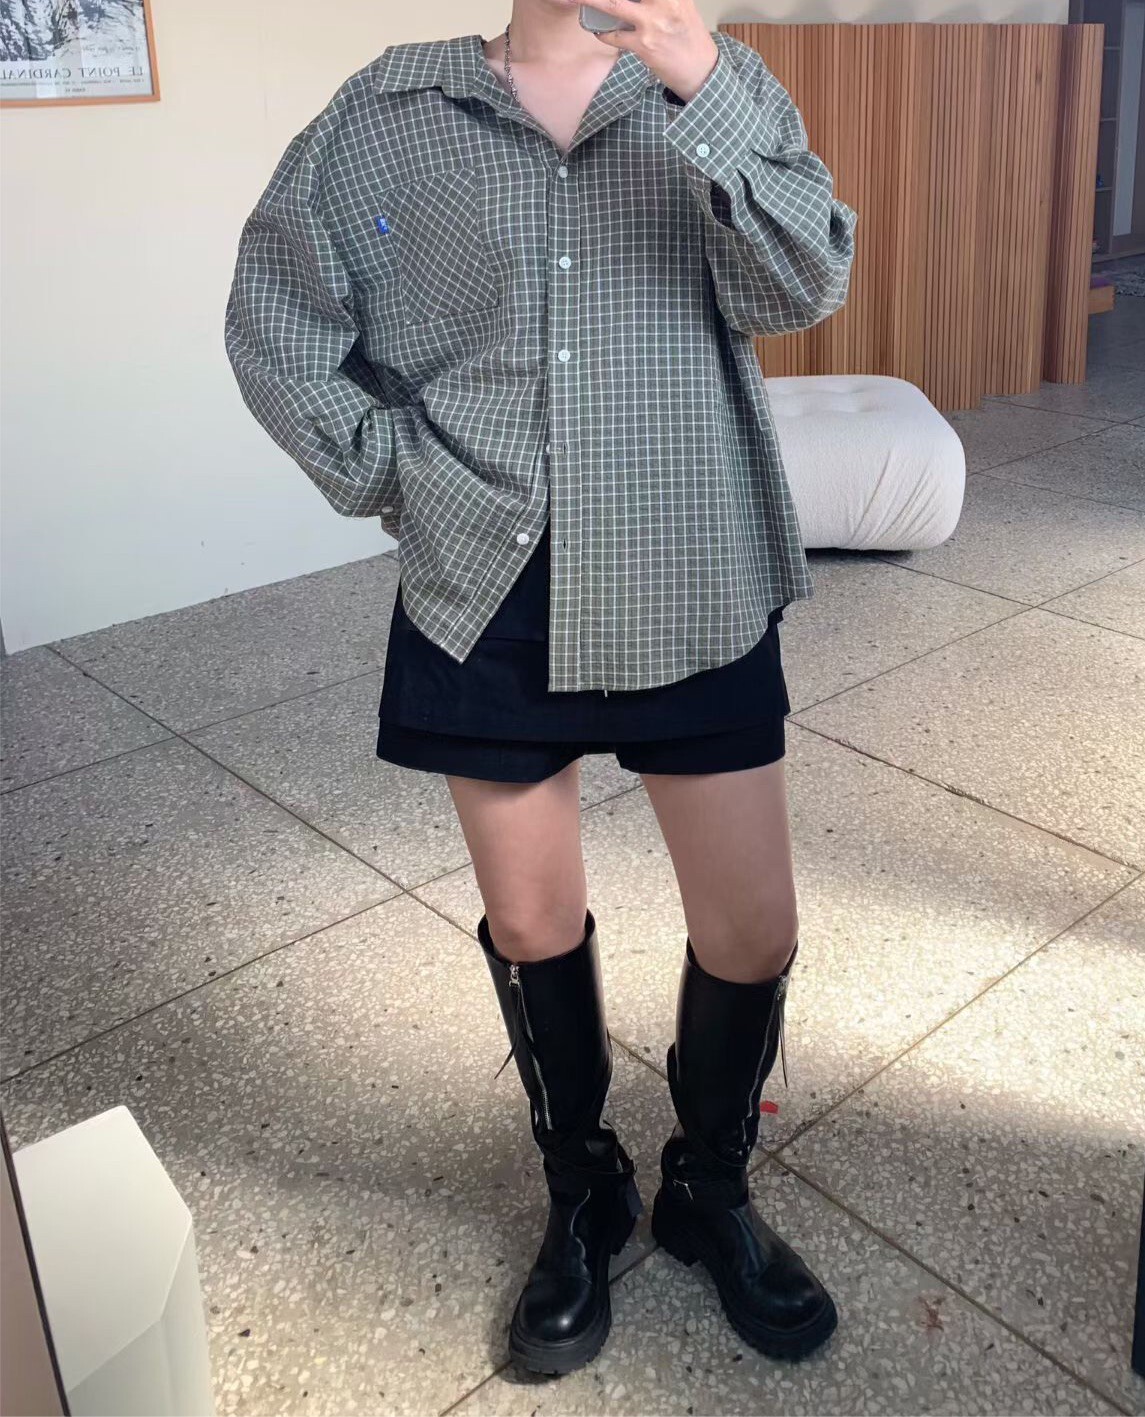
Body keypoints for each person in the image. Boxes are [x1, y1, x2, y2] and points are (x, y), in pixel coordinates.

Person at [224, 0, 857, 1379]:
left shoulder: (717, 89)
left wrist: (699, 84)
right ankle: (585, 1190)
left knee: (752, 927)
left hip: (687, 558)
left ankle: (709, 1188)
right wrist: (391, 473)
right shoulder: (386, 117)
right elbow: (276, 320)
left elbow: (803, 283)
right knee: (527, 919)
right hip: (488, 577)